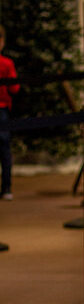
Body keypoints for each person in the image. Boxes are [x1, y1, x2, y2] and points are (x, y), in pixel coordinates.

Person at [0, 25, 20, 200]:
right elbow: (14, 87)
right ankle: (6, 188)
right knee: (5, 149)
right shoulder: (6, 64)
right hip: (2, 109)